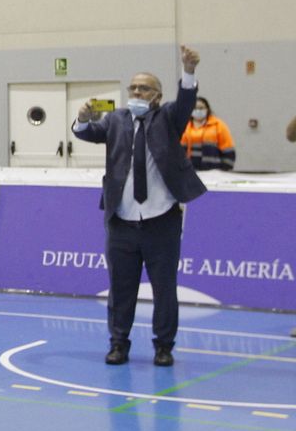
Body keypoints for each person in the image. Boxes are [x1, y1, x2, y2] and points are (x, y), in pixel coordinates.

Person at [72, 46, 207, 366]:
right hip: (121, 222)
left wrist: (188, 70)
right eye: (132, 87)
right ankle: (119, 343)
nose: (136, 92)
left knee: (164, 290)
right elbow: (87, 133)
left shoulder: (169, 118)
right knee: (121, 290)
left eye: (143, 88)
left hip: (162, 221)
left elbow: (186, 100)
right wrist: (80, 119)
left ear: (157, 96)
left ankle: (164, 347)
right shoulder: (116, 120)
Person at [180, 96, 236, 171]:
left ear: (207, 109)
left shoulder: (218, 125)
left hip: (214, 172)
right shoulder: (184, 126)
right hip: (189, 172)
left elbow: (228, 151)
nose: (198, 111)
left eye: (201, 108)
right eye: (195, 108)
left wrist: (224, 170)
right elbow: (178, 151)